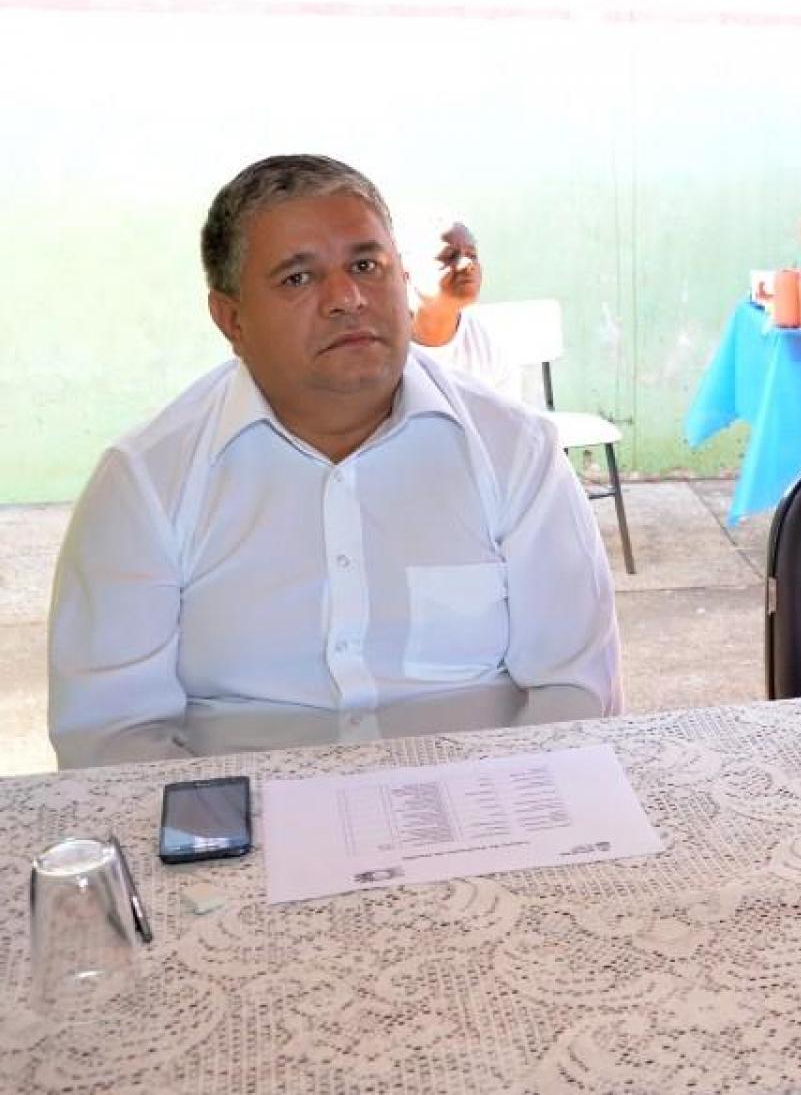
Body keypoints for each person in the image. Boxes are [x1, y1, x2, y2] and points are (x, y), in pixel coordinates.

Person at [47, 154, 621, 768]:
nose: (347, 298)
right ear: (232, 318)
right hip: (243, 814)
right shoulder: (146, 482)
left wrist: (501, 806)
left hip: (488, 801)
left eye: (366, 266)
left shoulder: (514, 452)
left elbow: (576, 689)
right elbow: (110, 734)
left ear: (403, 282)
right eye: (298, 278)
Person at [409, 219, 522, 399]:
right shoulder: (381, 347)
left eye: (472, 254)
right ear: (405, 271)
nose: (467, 264)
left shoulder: (490, 343)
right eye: (449, 256)